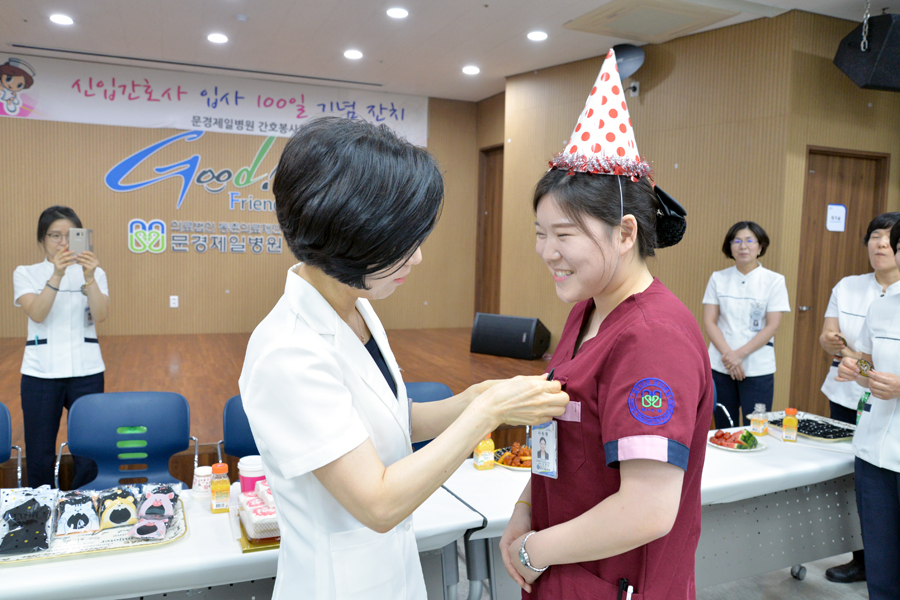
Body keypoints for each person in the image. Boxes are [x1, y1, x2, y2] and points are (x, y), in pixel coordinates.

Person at [238, 117, 569, 600]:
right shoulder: (288, 351)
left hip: (392, 572)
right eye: (402, 242)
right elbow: (378, 503)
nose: (416, 259)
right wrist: (485, 413)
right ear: (348, 234)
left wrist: (475, 397)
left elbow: (390, 423)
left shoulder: (356, 307)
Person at [498, 49, 714, 599]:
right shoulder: (587, 310)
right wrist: (525, 508)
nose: (547, 252)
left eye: (564, 235)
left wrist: (534, 551)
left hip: (616, 583)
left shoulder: (652, 337)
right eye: (540, 233)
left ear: (625, 233)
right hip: (564, 569)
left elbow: (647, 510)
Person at [818, 212, 900, 583]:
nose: (883, 245)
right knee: (882, 553)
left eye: (890, 240)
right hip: (873, 443)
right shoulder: (881, 306)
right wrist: (857, 370)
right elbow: (869, 366)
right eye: (880, 238)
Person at [13, 206, 109, 488]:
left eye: (71, 235)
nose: (63, 243)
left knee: (89, 448)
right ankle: (41, 504)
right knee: (39, 449)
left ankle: (87, 501)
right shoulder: (26, 273)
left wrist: (89, 278)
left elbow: (101, 314)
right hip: (41, 373)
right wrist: (56, 275)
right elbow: (37, 313)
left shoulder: (95, 273)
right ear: (42, 239)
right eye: (55, 236)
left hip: (87, 371)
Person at [703, 222, 791, 427]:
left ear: (760, 247)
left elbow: (772, 326)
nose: (743, 246)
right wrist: (730, 356)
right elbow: (709, 321)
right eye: (737, 241)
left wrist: (739, 355)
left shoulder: (774, 281)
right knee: (724, 427)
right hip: (721, 365)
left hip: (757, 366)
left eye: (750, 240)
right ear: (730, 247)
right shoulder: (718, 278)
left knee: (756, 428)